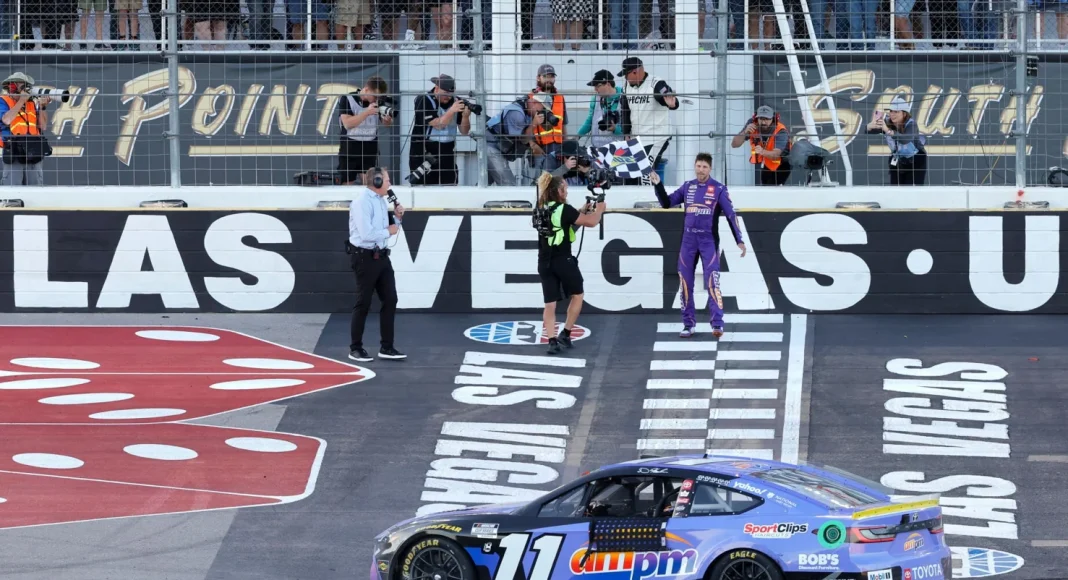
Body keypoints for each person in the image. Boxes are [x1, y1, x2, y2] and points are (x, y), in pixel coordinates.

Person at [651, 152, 747, 339]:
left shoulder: (719, 188)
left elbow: (731, 215)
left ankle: (717, 324)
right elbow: (666, 203)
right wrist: (658, 184)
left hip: (708, 241)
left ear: (710, 169)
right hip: (688, 242)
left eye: (704, 167)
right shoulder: (688, 186)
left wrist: (739, 240)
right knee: (685, 284)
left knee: (713, 283)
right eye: (698, 166)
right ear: (694, 166)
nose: (701, 170)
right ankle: (688, 324)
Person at [534, 171, 605, 355]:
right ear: (559, 191)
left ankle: (551, 341)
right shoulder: (565, 209)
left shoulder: (540, 209)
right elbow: (592, 222)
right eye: (565, 189)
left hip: (544, 262)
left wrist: (579, 212)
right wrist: (600, 209)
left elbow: (563, 226)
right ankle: (565, 333)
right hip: (563, 260)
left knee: (549, 304)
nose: (566, 192)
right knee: (577, 294)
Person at [347, 167, 407, 362]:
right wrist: (389, 230)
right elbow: (366, 234)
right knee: (363, 302)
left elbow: (391, 230)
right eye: (388, 180)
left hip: (382, 256)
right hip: (364, 256)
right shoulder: (361, 203)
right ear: (378, 182)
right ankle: (355, 348)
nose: (390, 184)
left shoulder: (382, 202)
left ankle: (387, 347)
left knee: (390, 299)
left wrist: (397, 219)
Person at [618, 57, 677, 185]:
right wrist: (626, 134)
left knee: (646, 173)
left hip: (657, 137)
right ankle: (630, 203)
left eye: (626, 75)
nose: (625, 79)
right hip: (636, 138)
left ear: (635, 72)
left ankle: (650, 201)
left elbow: (667, 96)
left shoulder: (656, 83)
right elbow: (625, 111)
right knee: (626, 172)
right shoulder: (626, 87)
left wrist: (673, 104)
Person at [408, 74, 472, 186]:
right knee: (423, 186)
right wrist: (452, 111)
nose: (448, 97)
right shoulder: (423, 100)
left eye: (451, 94)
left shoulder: (456, 102)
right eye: (445, 93)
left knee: (449, 185)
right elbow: (438, 125)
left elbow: (464, 131)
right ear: (436, 89)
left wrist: (466, 117)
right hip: (425, 150)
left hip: (447, 150)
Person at [338, 76, 394, 186]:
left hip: (370, 145)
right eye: (374, 95)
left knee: (370, 183)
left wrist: (387, 120)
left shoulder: (379, 101)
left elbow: (386, 124)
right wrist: (367, 112)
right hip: (350, 145)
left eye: (379, 96)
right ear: (366, 89)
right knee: (347, 183)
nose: (376, 99)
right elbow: (348, 124)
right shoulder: (347, 98)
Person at [0, 72, 52, 187]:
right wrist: (21, 101)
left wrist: (43, 107)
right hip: (13, 151)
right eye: (20, 86)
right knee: (12, 192)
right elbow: (6, 120)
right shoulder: (3, 101)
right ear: (11, 87)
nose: (25, 90)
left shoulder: (32, 104)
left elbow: (43, 126)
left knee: (35, 190)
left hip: (34, 152)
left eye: (25, 86)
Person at [485, 93, 549, 186]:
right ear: (535, 102)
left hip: (497, 146)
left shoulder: (525, 109)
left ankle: (471, 199)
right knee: (508, 184)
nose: (542, 112)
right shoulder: (517, 113)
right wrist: (534, 124)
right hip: (490, 146)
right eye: (542, 108)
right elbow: (522, 140)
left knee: (486, 180)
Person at [866, 96, 927, 185]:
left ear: (904, 114)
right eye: (891, 111)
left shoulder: (911, 124)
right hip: (897, 159)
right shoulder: (887, 122)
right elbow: (867, 131)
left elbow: (905, 139)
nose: (892, 114)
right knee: (895, 189)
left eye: (896, 112)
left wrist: (887, 130)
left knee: (913, 191)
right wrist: (870, 126)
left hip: (916, 159)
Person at [731, 105, 792, 186]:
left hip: (782, 163)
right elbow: (734, 144)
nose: (763, 122)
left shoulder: (780, 131)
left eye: (766, 119)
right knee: (765, 188)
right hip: (767, 162)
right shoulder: (752, 124)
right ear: (756, 118)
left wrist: (762, 152)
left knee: (775, 191)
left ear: (773, 119)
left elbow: (776, 155)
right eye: (761, 118)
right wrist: (745, 132)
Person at [529, 64, 568, 174]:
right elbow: (524, 126)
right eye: (545, 76)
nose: (549, 80)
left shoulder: (560, 98)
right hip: (540, 149)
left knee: (558, 180)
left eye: (551, 76)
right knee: (541, 183)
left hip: (558, 149)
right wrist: (533, 145)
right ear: (538, 78)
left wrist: (566, 149)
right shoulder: (531, 98)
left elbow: (563, 125)